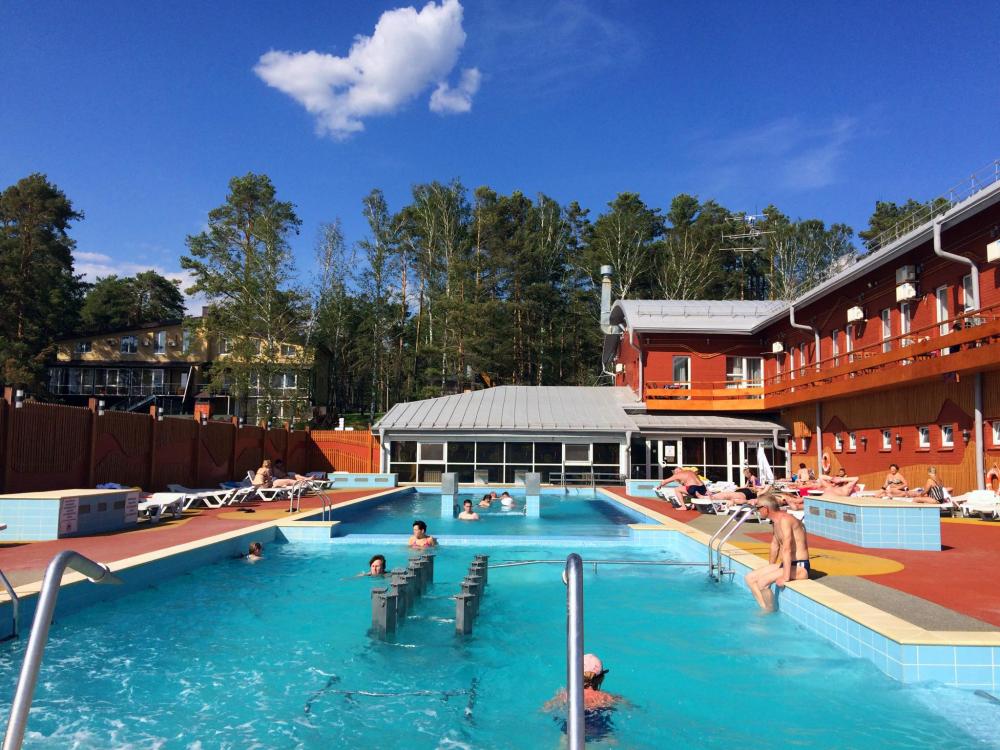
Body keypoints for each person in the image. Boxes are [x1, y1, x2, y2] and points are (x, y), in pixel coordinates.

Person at [744, 495, 811, 611]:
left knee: (763, 582)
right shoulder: (776, 522)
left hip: (800, 566)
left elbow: (787, 549)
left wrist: (786, 577)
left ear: (765, 508)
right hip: (787, 564)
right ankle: (765, 608)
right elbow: (775, 546)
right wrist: (770, 567)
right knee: (750, 578)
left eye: (758, 508)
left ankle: (769, 612)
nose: (757, 511)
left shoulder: (785, 520)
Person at [543, 653, 626, 743]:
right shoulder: (606, 697)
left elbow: (545, 709)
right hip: (600, 733)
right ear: (601, 678)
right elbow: (629, 706)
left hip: (571, 733)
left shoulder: (566, 695)